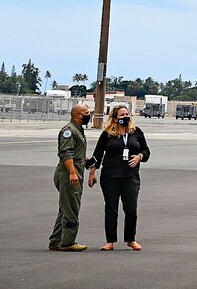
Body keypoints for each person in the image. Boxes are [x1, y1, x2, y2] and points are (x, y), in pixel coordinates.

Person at [89, 103, 151, 250]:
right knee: (111, 208)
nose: (126, 117)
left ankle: (131, 239)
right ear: (115, 118)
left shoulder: (136, 132)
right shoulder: (107, 134)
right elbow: (97, 154)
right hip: (110, 176)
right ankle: (110, 241)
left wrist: (139, 157)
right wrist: (92, 173)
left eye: (127, 114)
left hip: (130, 176)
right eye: (122, 115)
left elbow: (146, 151)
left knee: (131, 209)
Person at [48, 101, 93, 252]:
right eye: (87, 113)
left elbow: (75, 152)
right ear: (78, 115)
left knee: (65, 208)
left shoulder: (78, 129)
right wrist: (73, 172)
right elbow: (65, 153)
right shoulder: (69, 130)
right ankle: (68, 242)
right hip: (69, 174)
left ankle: (56, 240)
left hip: (76, 170)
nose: (89, 115)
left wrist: (86, 160)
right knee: (72, 209)